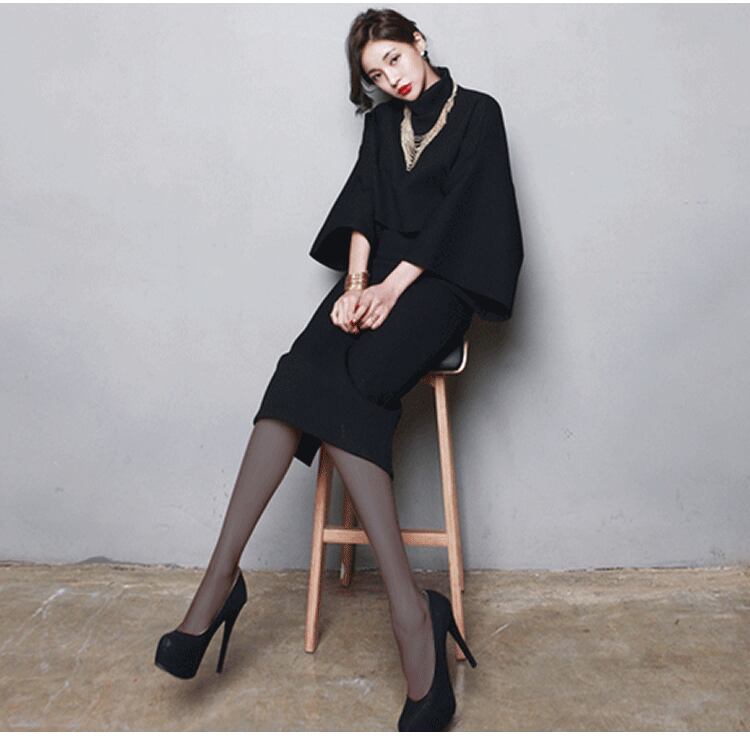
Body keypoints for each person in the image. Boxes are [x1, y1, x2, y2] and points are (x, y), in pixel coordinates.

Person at [154, 8, 523, 732]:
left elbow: (464, 216)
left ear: (418, 41)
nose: (392, 79)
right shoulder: (383, 125)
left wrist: (392, 289)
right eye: (376, 74)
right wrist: (355, 288)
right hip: (377, 280)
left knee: (359, 382)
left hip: (441, 285)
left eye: (395, 59)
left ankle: (411, 617)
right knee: (299, 371)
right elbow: (363, 208)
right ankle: (220, 580)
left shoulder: (479, 112)